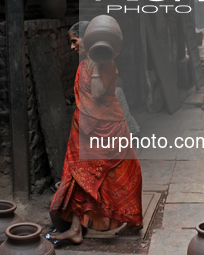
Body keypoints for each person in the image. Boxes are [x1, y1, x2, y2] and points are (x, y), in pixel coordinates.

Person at [49, 21, 143, 244]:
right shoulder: (83, 65)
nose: (72, 47)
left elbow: (99, 93)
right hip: (84, 130)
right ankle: (75, 230)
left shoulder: (105, 62)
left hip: (109, 128)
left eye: (74, 41)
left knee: (123, 176)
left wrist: (98, 62)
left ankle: (133, 221)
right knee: (77, 178)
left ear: (88, 39)